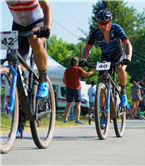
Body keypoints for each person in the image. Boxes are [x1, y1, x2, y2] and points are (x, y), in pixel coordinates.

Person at [6, 0, 52, 137]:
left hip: (37, 23)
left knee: (34, 39)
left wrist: (47, 28)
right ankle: (19, 119)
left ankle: (43, 79)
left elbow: (47, 7)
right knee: (13, 68)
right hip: (18, 26)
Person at [80, 10, 132, 129]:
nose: (102, 26)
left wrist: (128, 57)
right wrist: (84, 59)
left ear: (110, 22)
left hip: (119, 56)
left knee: (120, 68)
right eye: (100, 23)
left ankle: (123, 93)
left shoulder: (117, 29)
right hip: (106, 58)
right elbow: (87, 48)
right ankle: (103, 114)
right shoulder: (95, 32)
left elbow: (128, 44)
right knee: (101, 82)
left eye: (105, 23)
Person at [62, 57, 96, 124]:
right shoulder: (78, 69)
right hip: (76, 89)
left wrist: (67, 84)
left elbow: (63, 80)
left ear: (70, 62)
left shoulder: (67, 70)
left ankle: (65, 119)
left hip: (68, 89)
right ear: (77, 63)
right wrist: (94, 70)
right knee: (78, 104)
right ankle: (77, 119)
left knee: (68, 104)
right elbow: (86, 74)